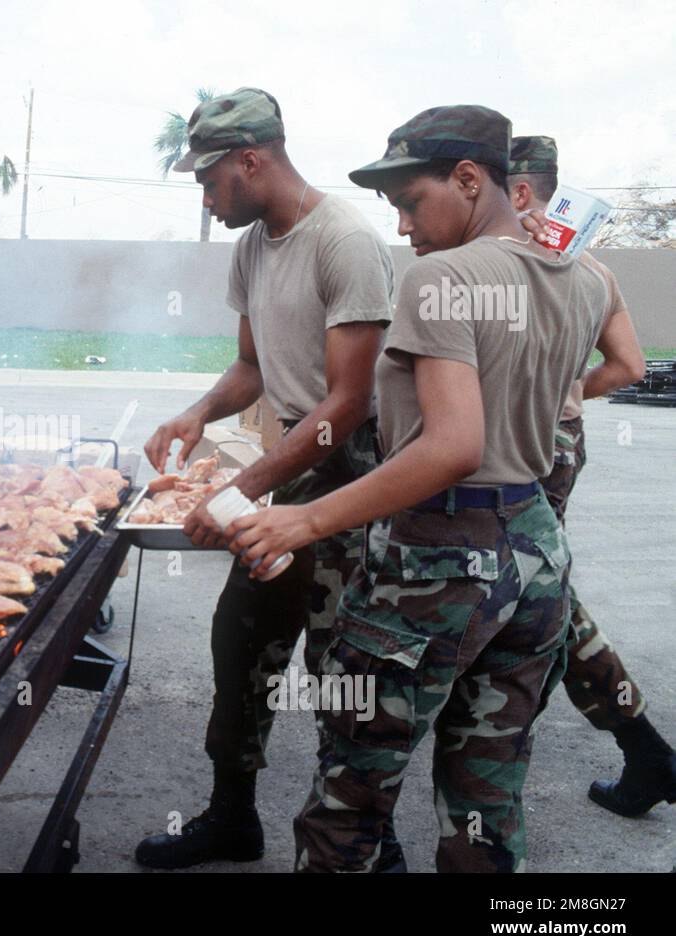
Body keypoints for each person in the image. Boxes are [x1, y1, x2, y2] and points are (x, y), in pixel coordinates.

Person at [226, 105, 613, 871]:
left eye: (411, 201)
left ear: (469, 179)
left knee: (350, 797)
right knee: (487, 801)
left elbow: (452, 447)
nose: (402, 227)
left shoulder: (442, 279)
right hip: (535, 553)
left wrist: (303, 521)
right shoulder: (581, 277)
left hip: (435, 563)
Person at [136, 87, 394, 869]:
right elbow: (252, 367)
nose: (208, 200)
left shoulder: (344, 240)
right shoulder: (252, 246)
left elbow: (346, 404)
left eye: (211, 182)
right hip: (291, 468)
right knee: (242, 635)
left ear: (252, 160)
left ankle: (368, 847)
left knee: (340, 670)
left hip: (349, 478)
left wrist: (239, 491)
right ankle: (232, 818)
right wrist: (198, 413)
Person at [507, 136, 675, 816]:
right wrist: (569, 392)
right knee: (537, 587)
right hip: (565, 440)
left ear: (518, 192)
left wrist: (542, 396)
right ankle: (645, 752)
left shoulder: (512, 265)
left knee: (536, 593)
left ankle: (642, 748)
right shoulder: (595, 271)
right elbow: (631, 368)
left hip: (521, 444)